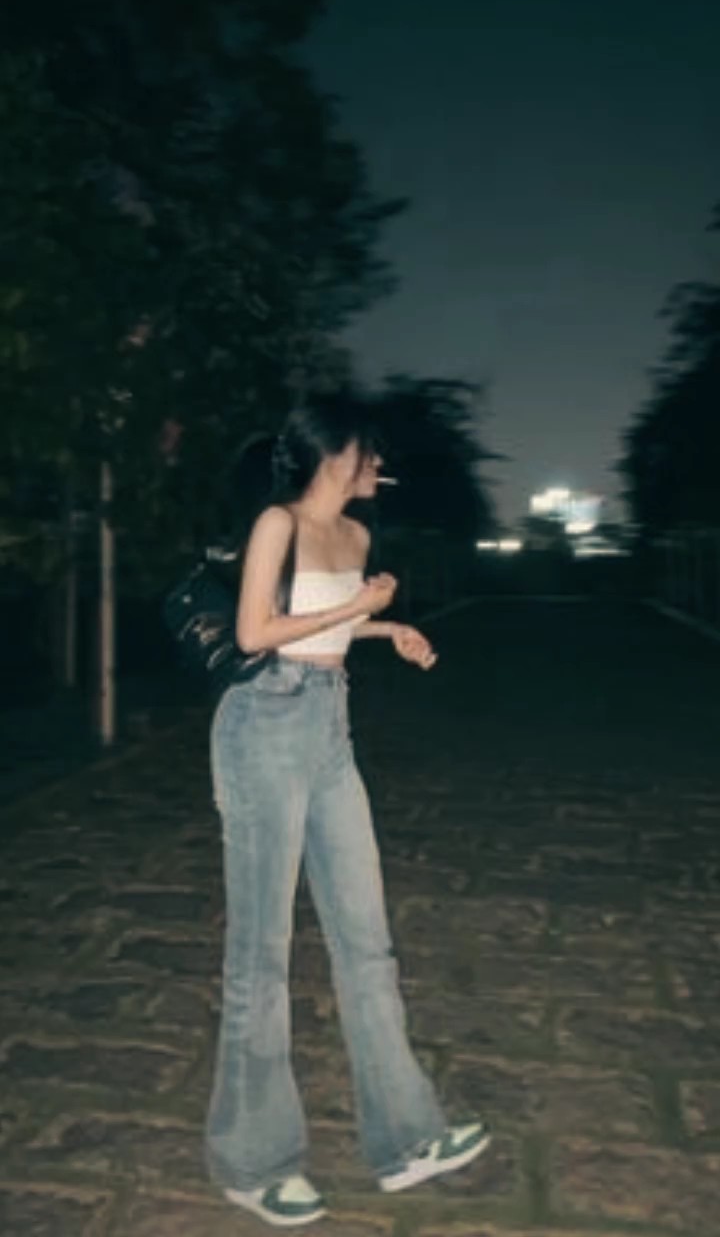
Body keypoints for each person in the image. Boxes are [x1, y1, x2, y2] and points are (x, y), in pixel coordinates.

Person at [206, 395, 490, 1226]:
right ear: (336, 454)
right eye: (370, 453)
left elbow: (318, 634)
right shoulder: (278, 523)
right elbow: (256, 632)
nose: (379, 467)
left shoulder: (357, 538)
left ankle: (406, 1139)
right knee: (260, 957)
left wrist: (382, 629)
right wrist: (355, 610)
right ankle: (252, 1161)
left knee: (368, 943)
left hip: (330, 727)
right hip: (264, 727)